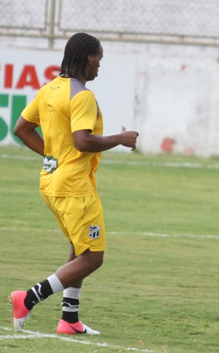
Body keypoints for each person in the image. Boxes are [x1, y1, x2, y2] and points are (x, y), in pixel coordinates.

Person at [10, 33, 139, 335]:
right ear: (89, 58)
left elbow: (22, 128)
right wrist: (120, 139)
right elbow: (83, 141)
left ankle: (69, 319)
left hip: (51, 182)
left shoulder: (50, 89)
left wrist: (55, 155)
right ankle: (28, 298)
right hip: (74, 188)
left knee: (79, 247)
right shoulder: (81, 96)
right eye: (100, 60)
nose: (100, 67)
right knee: (93, 257)